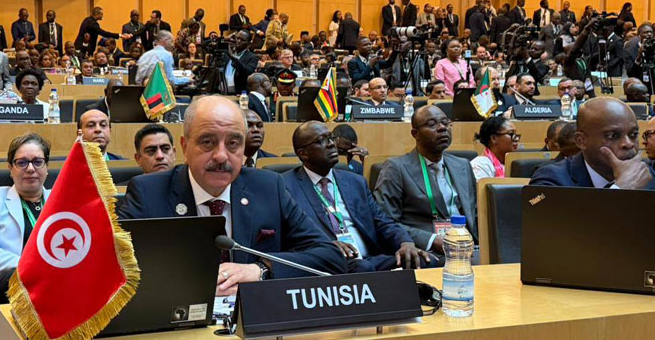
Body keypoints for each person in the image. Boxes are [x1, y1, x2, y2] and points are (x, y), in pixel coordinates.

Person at [118, 96, 345, 294]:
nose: (221, 156)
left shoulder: (268, 187)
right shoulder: (147, 193)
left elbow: (330, 256)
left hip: (253, 319)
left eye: (233, 143)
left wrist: (261, 269)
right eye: (207, 142)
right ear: (185, 147)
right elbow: (115, 268)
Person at [283, 121, 436, 271]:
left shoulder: (355, 182)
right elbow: (292, 235)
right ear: (303, 154)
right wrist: (325, 247)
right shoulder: (285, 186)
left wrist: (405, 242)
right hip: (327, 264)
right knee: (363, 268)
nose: (331, 144)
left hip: (369, 259)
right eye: (322, 141)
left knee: (426, 261)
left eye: (331, 138)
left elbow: (381, 221)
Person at [0, 133, 52, 324]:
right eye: (22, 163)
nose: (30, 169)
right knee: (21, 280)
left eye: (37, 162)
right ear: (10, 168)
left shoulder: (60, 202)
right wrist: (34, 267)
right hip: (1, 286)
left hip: (51, 284)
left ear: (46, 167)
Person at [373, 105, 479, 251]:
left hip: (468, 246)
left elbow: (476, 214)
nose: (442, 128)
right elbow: (386, 221)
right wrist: (431, 240)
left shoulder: (462, 165)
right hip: (426, 251)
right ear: (415, 133)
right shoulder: (396, 168)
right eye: (432, 124)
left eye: (445, 122)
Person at [531, 98, 655, 189]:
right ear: (581, 141)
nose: (628, 144)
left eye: (633, 134)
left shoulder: (646, 175)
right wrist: (620, 189)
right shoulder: (551, 179)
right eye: (612, 136)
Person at [469, 116, 520, 180]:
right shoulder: (480, 165)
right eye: (511, 134)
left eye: (516, 134)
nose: (516, 139)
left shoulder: (515, 164)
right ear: (494, 138)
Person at [223, 30, 259, 94]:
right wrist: (226, 39)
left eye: (243, 40)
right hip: (223, 92)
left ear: (249, 44)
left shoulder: (252, 57)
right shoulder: (226, 54)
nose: (239, 41)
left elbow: (247, 71)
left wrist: (233, 58)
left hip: (240, 93)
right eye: (237, 38)